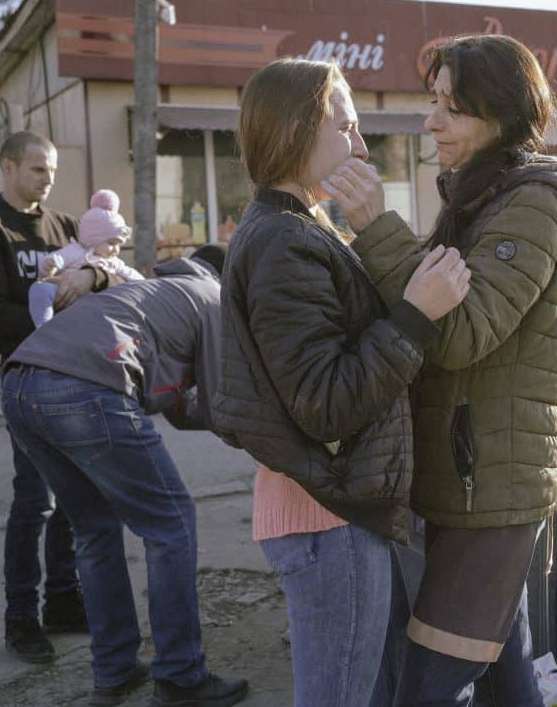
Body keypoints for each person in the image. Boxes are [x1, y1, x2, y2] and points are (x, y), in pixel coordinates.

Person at [322, 33, 557, 706]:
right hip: (473, 479)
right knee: (504, 665)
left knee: (429, 680)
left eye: (452, 107)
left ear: (502, 115)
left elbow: (458, 333)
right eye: (434, 101)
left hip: (494, 491)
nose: (431, 121)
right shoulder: (482, 196)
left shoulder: (531, 205)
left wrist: (374, 224)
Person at [210, 57, 471, 707]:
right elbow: (328, 404)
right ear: (298, 129)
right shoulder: (283, 241)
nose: (360, 144)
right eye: (346, 127)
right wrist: (417, 311)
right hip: (327, 516)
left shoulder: (295, 229)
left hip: (332, 508)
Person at [0, 245, 249, 707]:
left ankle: (113, 671)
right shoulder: (213, 297)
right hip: (88, 386)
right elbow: (222, 405)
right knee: (171, 523)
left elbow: (179, 408)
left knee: (94, 529)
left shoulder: (151, 293)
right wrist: (267, 441)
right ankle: (180, 676)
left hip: (19, 385)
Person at [0, 131, 117, 664]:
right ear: (7, 167)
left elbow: (108, 270)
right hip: (25, 378)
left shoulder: (65, 225)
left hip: (74, 374)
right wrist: (51, 301)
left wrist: (91, 275)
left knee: (74, 494)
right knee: (35, 501)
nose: (48, 180)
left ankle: (64, 603)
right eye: (37, 170)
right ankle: (21, 618)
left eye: (51, 170)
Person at [29, 189, 144, 327]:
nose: (116, 250)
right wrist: (49, 264)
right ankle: (44, 326)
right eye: (112, 243)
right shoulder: (75, 251)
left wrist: (143, 284)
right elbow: (57, 258)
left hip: (95, 304)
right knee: (40, 288)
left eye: (119, 244)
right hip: (65, 295)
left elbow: (131, 275)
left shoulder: (113, 262)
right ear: (93, 239)